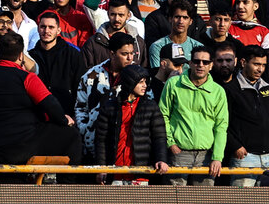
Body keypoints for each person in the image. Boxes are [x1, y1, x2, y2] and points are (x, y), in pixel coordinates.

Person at [0, 32, 80, 170]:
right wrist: (65, 120)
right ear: (21, 56)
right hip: (21, 148)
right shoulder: (28, 78)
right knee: (72, 135)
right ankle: (68, 185)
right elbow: (52, 106)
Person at [158, 46, 228, 186]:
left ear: (211, 65)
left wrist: (217, 157)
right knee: (175, 202)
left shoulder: (218, 91)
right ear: (190, 63)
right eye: (196, 61)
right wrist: (170, 143)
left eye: (205, 62)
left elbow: (221, 126)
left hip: (206, 155)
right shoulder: (173, 84)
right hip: (179, 153)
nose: (200, 65)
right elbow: (162, 115)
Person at [93, 64, 169, 184]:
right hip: (114, 173)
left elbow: (159, 137)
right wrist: (101, 167)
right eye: (140, 82)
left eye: (145, 82)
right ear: (130, 83)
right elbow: (101, 140)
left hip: (141, 173)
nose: (145, 85)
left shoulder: (151, 106)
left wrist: (161, 159)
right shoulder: (109, 106)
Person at [223, 45, 269, 187]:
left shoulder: (267, 87)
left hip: (268, 156)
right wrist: (235, 146)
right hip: (244, 157)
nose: (260, 69)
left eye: (263, 65)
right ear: (243, 62)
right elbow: (221, 123)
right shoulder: (229, 90)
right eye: (256, 64)